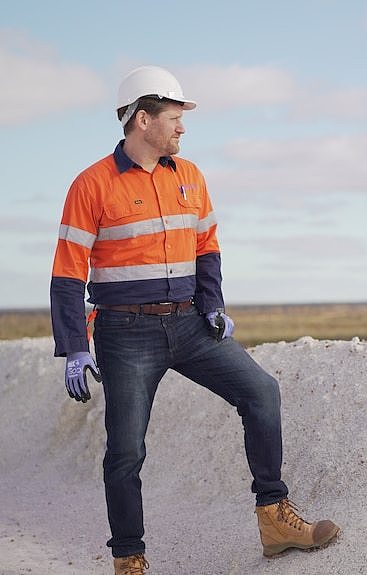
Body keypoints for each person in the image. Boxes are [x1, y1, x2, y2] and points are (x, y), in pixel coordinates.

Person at [50, 65, 339, 575]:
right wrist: (74, 344)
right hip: (125, 333)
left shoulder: (191, 177)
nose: (182, 128)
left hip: (188, 324)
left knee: (261, 392)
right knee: (125, 452)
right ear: (143, 119)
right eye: (174, 118)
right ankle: (129, 559)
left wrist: (212, 304)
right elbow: (69, 273)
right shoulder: (92, 185)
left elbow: (207, 247)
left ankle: (274, 519)